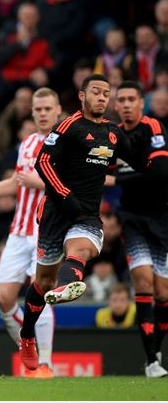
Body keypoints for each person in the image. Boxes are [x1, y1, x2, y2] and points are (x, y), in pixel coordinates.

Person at [18, 74, 134, 371]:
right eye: (96, 91)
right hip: (55, 213)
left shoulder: (113, 133)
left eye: (107, 93)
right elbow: (42, 162)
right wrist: (65, 195)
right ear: (82, 96)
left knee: (80, 250)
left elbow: (136, 165)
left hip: (87, 215)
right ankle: (27, 333)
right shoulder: (68, 126)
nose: (102, 97)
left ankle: (70, 283)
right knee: (42, 281)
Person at [0, 87, 62, 378]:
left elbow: (74, 188)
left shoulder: (69, 143)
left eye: (47, 109)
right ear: (31, 112)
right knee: (4, 299)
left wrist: (39, 183)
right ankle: (28, 347)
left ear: (58, 111)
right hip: (19, 231)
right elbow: (19, 183)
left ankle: (45, 364)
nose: (42, 113)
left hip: (48, 231)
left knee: (38, 292)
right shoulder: (28, 142)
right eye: (38, 109)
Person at [111, 80, 168, 377]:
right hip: (132, 219)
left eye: (132, 99)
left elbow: (160, 172)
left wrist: (117, 180)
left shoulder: (153, 128)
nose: (127, 104)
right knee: (143, 282)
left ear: (141, 102)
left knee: (163, 293)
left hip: (162, 218)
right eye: (121, 100)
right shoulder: (112, 136)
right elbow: (97, 172)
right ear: (116, 105)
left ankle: (155, 347)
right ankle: (151, 362)